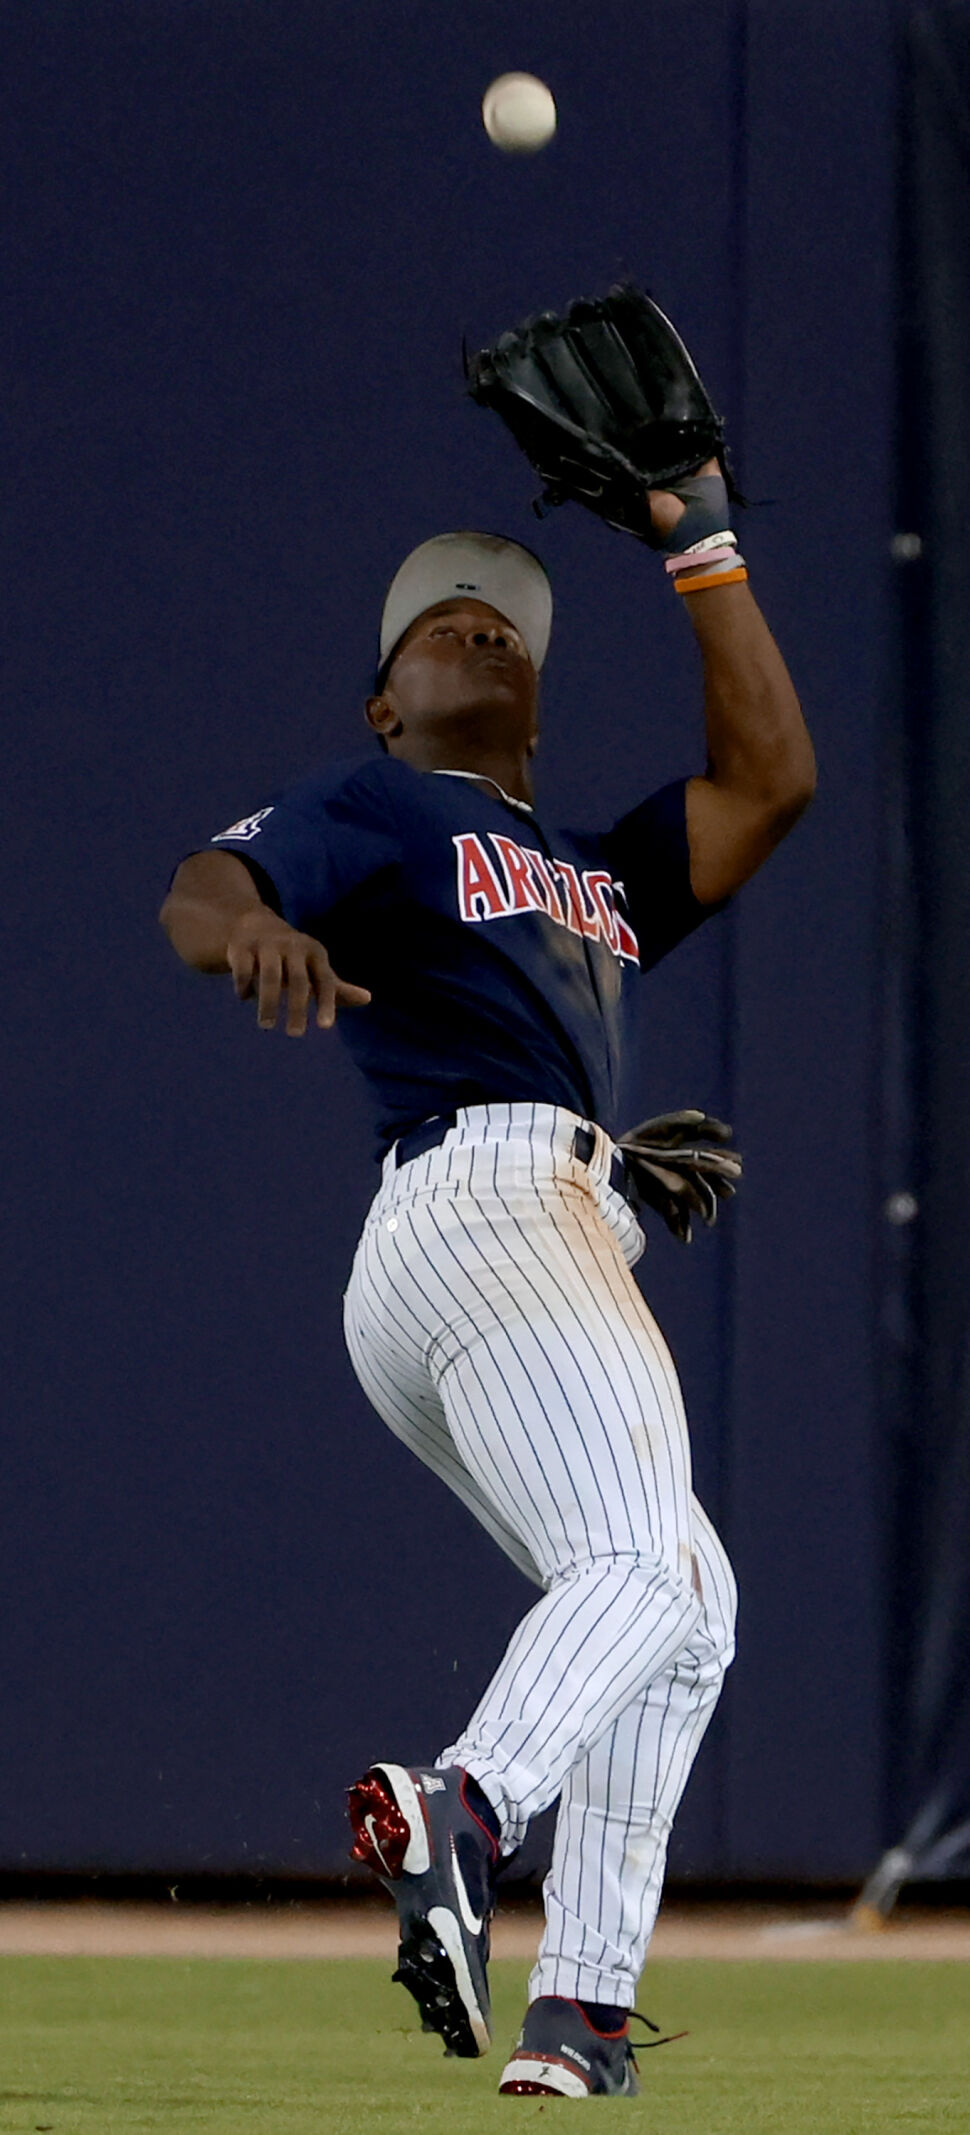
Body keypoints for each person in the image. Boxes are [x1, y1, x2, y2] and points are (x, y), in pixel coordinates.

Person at [160, 486, 815, 2097]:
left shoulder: (598, 871)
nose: (475, 627)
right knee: (637, 1564)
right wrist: (245, 936)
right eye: (438, 623)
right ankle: (465, 1806)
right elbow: (202, 888)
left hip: (515, 1218)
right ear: (389, 701)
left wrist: (703, 551)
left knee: (688, 1607)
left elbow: (771, 782)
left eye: (500, 622)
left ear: (534, 687)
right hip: (476, 1203)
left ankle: (578, 2016)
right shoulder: (383, 805)